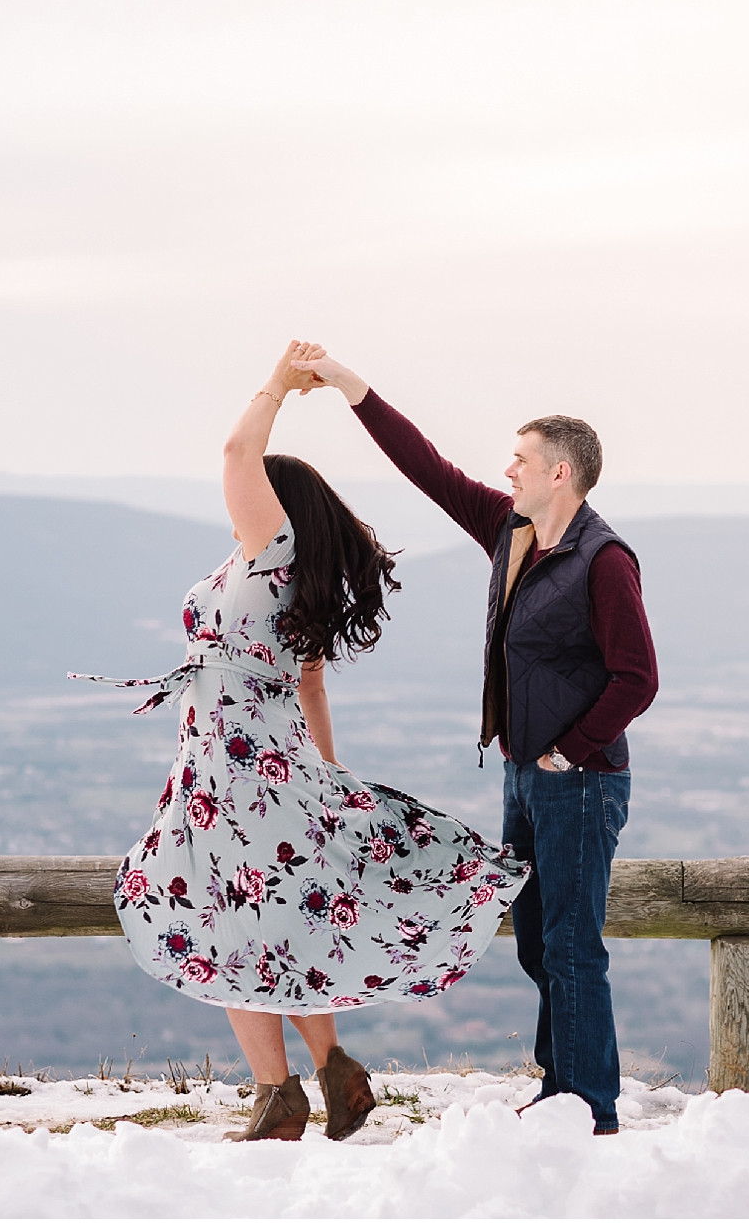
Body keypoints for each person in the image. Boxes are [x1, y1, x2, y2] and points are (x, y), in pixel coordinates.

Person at [74, 340, 530, 1143]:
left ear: (272, 506)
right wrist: (324, 775)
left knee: (215, 920)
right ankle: (331, 1070)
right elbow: (311, 686)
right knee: (281, 921)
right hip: (273, 765)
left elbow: (235, 450)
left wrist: (277, 386)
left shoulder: (269, 552)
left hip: (228, 770)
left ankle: (275, 1091)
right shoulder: (302, 575)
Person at [290, 347, 658, 1136]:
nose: (508, 470)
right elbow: (428, 468)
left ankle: (590, 1106)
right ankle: (561, 1088)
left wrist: (569, 751)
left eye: (521, 460)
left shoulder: (604, 561)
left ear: (561, 472)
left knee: (571, 945)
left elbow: (639, 678)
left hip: (580, 780)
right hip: (526, 776)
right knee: (537, 942)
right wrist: (353, 388)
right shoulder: (511, 531)